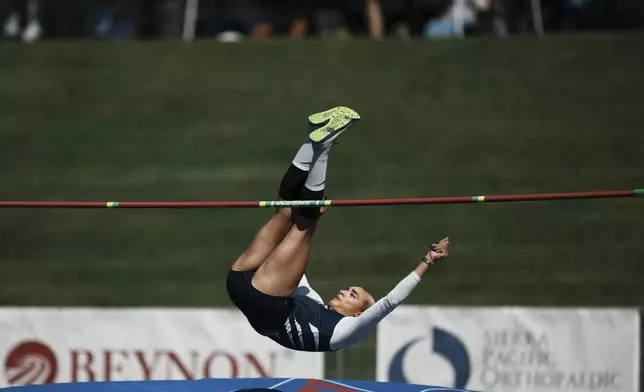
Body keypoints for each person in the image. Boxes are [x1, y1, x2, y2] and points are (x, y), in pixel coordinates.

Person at [226, 106, 450, 352]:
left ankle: (322, 148)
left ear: (359, 314)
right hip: (243, 284)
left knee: (303, 225)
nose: (344, 291)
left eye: (353, 296)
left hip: (262, 297)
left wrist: (427, 262)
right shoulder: (313, 302)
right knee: (286, 211)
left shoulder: (346, 332)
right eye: (349, 290)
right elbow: (293, 267)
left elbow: (389, 302)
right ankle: (312, 140)